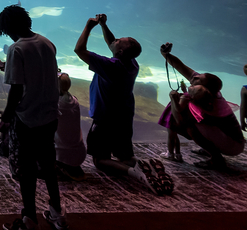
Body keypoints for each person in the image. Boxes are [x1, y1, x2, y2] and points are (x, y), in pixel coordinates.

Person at [74, 14, 171, 193]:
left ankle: (134, 173)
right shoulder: (132, 64)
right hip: (123, 116)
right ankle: (144, 165)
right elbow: (113, 43)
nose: (116, 39)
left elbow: (79, 50)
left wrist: (88, 27)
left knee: (99, 160)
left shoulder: (111, 66)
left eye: (120, 40)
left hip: (105, 118)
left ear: (119, 52)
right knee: (123, 154)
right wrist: (104, 25)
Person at [0, 5, 66, 230]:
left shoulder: (16, 49)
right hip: (50, 115)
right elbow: (42, 72)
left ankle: (29, 219)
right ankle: (56, 213)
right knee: (48, 165)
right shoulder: (47, 42)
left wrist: (6, 116)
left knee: (26, 171)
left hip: (27, 118)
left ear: (6, 28)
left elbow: (16, 89)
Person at [157, 43, 245, 169]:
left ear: (203, 88)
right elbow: (181, 67)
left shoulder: (203, 101)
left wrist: (174, 99)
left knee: (190, 127)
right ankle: (211, 148)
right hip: (234, 141)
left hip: (232, 145)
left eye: (198, 79)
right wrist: (165, 54)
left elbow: (179, 120)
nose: (195, 77)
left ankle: (216, 158)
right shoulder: (207, 91)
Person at [53, 73, 86, 181]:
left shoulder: (55, 104)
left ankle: (60, 166)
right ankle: (71, 167)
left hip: (61, 153)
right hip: (80, 152)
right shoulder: (74, 101)